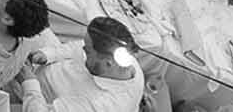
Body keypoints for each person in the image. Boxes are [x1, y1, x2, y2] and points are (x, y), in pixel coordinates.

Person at [14, 17, 146, 112]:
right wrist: (48, 54)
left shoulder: (100, 106)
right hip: (44, 71)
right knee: (30, 21)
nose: (83, 50)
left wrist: (29, 83)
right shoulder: (124, 57)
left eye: (87, 51)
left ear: (108, 63)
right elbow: (76, 47)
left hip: (38, 99)